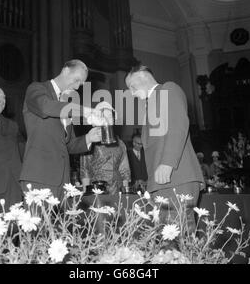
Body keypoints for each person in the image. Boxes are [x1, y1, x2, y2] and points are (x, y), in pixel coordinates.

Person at [125, 65, 204, 230]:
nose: (131, 93)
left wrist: (167, 163)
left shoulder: (168, 89)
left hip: (176, 177)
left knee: (181, 238)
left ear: (142, 77)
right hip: (163, 183)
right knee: (169, 244)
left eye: (132, 87)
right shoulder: (151, 102)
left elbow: (178, 125)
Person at [20, 59, 102, 200]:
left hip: (62, 180)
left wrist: (88, 138)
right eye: (76, 80)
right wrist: (85, 111)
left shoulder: (66, 104)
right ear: (65, 71)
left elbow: (68, 145)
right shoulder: (37, 89)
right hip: (39, 175)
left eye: (80, 84)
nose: (77, 87)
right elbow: (45, 107)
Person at [80, 105, 131, 195]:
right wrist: (86, 195)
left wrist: (126, 194)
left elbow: (125, 171)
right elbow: (85, 170)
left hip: (117, 188)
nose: (107, 120)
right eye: (103, 116)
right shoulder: (91, 141)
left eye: (110, 116)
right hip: (97, 188)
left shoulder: (120, 143)